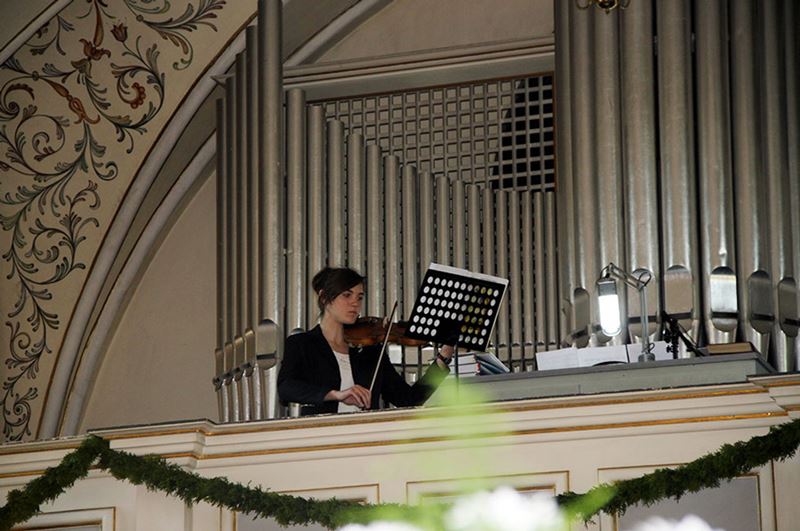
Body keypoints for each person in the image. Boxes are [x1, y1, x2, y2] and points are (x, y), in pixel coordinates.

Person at [278, 267, 454, 415]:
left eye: (359, 297)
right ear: (324, 298)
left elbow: (409, 399)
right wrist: (335, 394)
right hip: (319, 436)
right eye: (347, 295)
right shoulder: (302, 344)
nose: (355, 303)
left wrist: (444, 356)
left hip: (365, 434)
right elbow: (286, 388)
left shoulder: (371, 351)